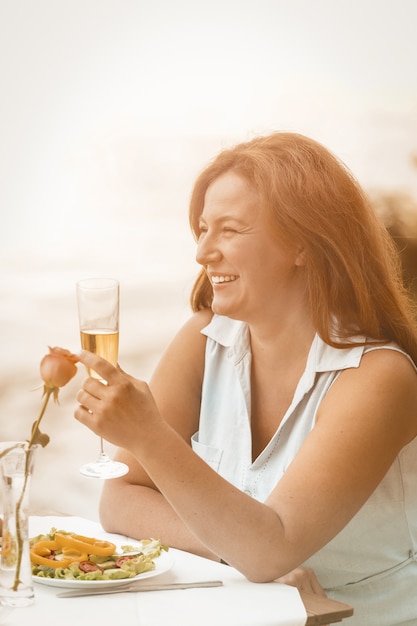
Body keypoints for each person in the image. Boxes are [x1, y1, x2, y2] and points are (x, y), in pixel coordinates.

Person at [74, 132, 417, 625]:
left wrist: (147, 435)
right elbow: (121, 500)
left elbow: (271, 544)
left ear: (303, 241)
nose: (203, 253)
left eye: (229, 230)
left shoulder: (379, 377)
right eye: (202, 229)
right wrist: (235, 552)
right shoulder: (206, 338)